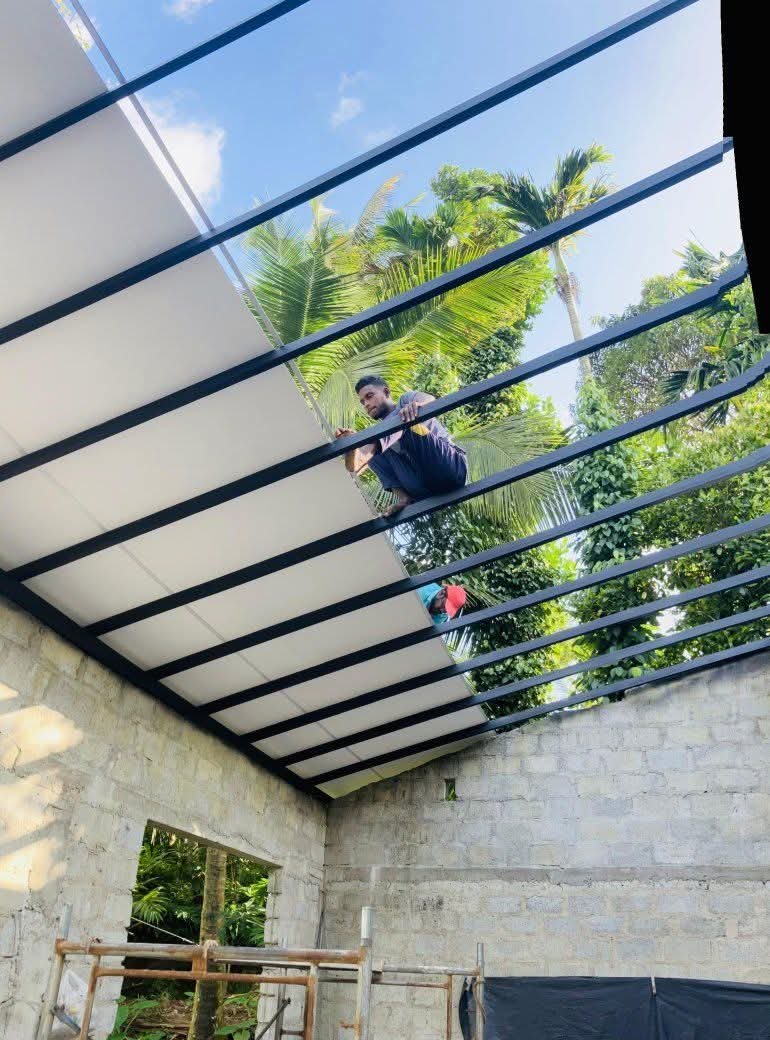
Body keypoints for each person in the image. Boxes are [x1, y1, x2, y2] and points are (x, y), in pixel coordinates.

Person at [335, 375, 468, 516]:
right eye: (363, 402)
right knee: (370, 440)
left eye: (369, 396)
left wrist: (417, 405)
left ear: (386, 392)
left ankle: (359, 451)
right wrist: (353, 446)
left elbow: (430, 399)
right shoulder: (378, 434)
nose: (366, 404)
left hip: (450, 468)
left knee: (403, 417)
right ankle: (404, 498)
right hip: (422, 489)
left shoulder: (405, 400)